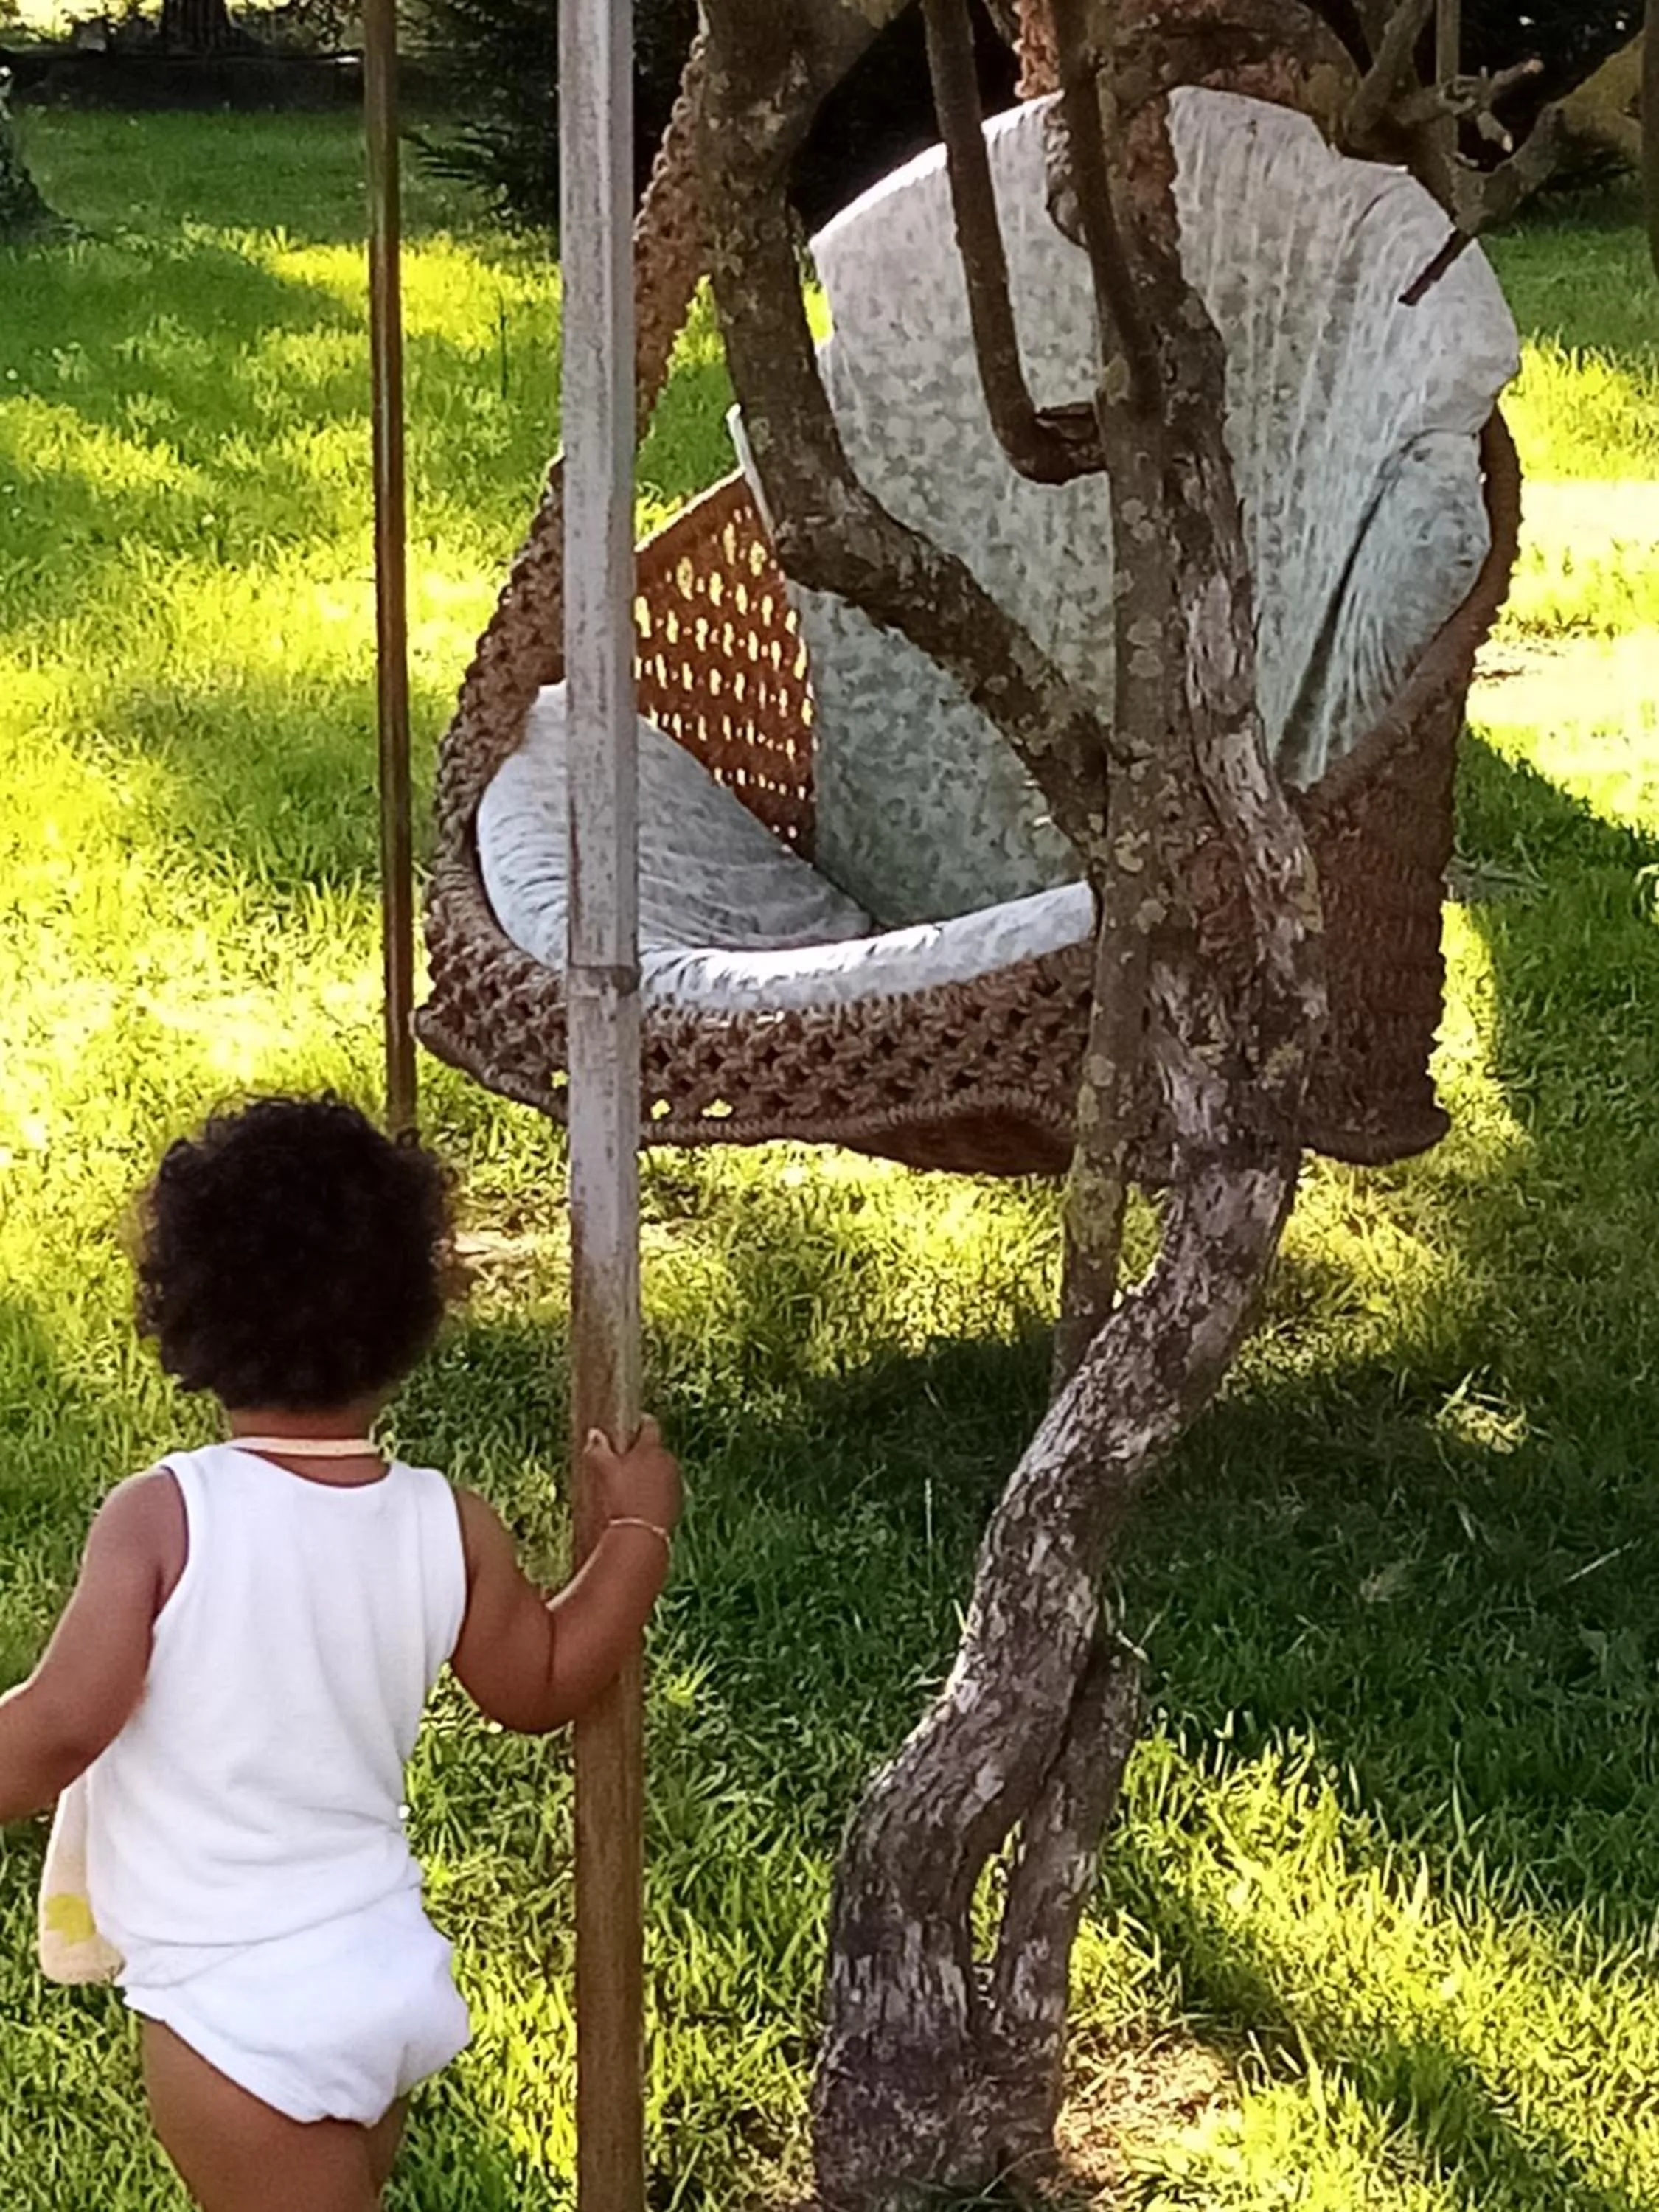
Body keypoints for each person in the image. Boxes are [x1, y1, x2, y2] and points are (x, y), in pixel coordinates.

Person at [0, 1094, 681, 2212]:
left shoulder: (164, 1516)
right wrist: (635, 1532)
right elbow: (546, 1680)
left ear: (186, 1312)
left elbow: (63, 1725)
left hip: (239, 2019)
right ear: (407, 1320)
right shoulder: (443, 1521)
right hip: (375, 1971)